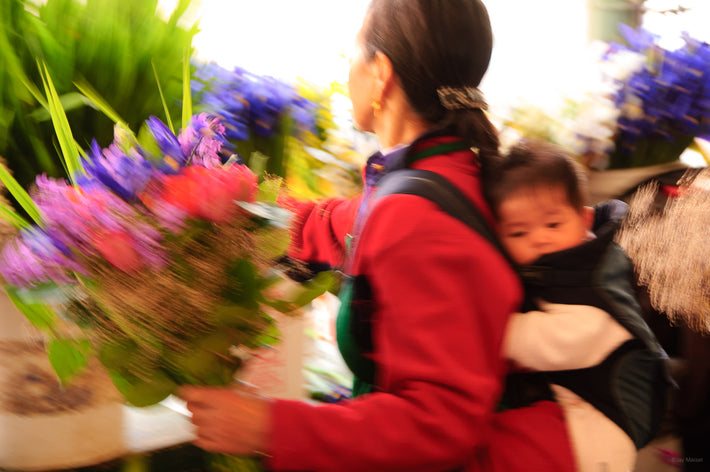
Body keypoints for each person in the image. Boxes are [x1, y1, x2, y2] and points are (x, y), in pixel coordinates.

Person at [180, 1, 577, 470]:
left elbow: (439, 422)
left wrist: (268, 427)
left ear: (381, 73)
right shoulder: (440, 172)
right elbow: (330, 225)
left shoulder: (417, 211)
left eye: (353, 52)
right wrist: (218, 194)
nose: (349, 71)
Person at [484, 138, 669, 472]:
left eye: (553, 224)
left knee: (495, 450)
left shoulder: (592, 278)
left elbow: (566, 337)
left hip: (598, 423)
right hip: (570, 403)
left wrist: (488, 328)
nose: (539, 238)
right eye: (518, 233)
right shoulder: (560, 268)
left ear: (584, 220)